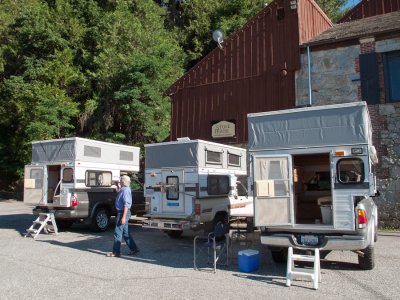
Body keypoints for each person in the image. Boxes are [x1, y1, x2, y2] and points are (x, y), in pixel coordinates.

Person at [106, 175, 139, 257]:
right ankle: (134, 248)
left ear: (123, 182)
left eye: (120, 181)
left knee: (118, 232)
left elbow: (126, 205)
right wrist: (118, 186)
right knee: (125, 233)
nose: (119, 182)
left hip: (122, 213)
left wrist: (123, 217)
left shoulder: (125, 190)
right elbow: (120, 193)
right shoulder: (124, 189)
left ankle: (116, 252)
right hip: (122, 212)